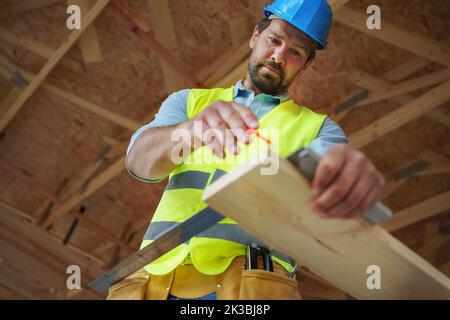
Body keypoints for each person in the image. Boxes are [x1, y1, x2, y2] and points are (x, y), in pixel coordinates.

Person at [108, 0, 385, 300]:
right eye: (274, 40)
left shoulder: (319, 130)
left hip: (251, 287)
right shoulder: (189, 102)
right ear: (255, 36)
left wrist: (344, 186)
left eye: (295, 52)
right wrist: (190, 131)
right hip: (155, 281)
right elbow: (139, 163)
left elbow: (326, 202)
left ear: (306, 65)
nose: (279, 55)